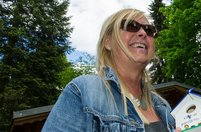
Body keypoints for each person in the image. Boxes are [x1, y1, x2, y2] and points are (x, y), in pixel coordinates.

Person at [42, 8, 176, 132]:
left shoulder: (163, 107)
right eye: (130, 25)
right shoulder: (83, 91)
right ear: (108, 42)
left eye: (149, 30)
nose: (142, 33)